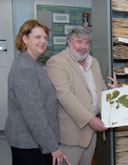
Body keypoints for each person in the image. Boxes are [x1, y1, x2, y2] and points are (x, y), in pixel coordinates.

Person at [46, 27, 117, 165]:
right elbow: (65, 96)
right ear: (68, 42)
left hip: (91, 135)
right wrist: (90, 119)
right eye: (79, 42)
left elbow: (101, 88)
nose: (83, 47)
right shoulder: (57, 62)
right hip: (71, 135)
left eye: (87, 42)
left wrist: (113, 92)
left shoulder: (93, 62)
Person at [8, 19, 70, 165]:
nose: (43, 41)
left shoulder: (32, 63)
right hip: (31, 145)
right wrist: (52, 146)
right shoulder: (24, 67)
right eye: (37, 37)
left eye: (45, 38)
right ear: (25, 39)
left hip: (34, 143)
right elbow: (34, 114)